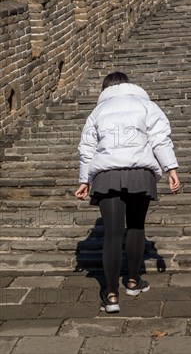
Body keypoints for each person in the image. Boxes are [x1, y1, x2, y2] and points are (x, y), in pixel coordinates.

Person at [75, 72, 180, 313]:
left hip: (106, 173)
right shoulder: (147, 105)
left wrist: (84, 180)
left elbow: (87, 148)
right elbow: (159, 139)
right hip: (140, 173)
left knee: (112, 234)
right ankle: (133, 281)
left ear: (105, 89)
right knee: (136, 226)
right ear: (129, 85)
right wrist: (171, 168)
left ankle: (111, 295)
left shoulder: (97, 112)